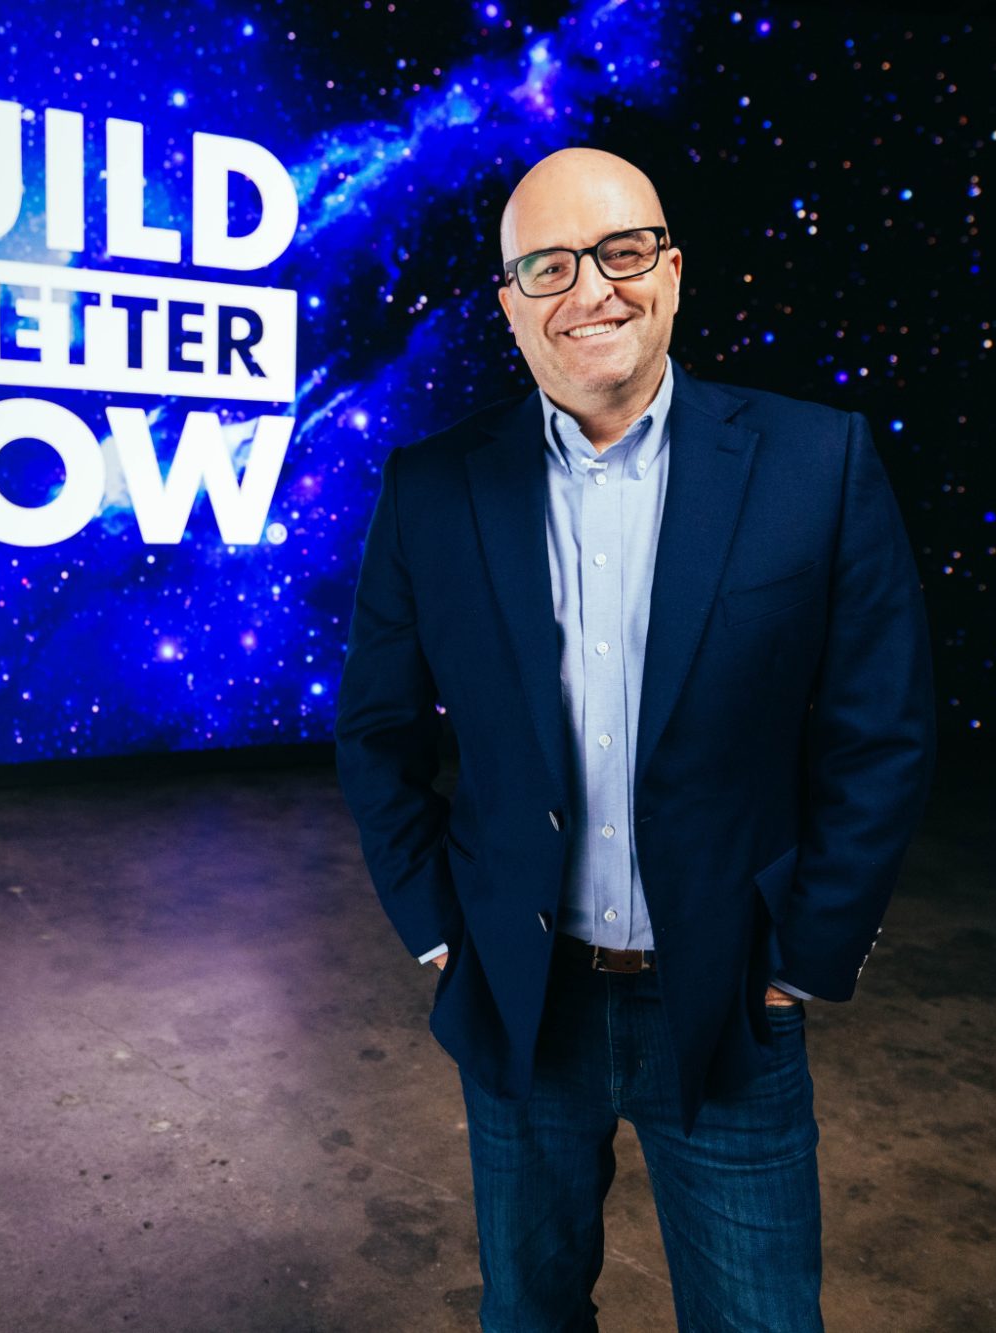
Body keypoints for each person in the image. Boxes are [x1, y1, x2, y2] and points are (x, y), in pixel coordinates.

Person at [333, 147, 936, 1332]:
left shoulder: (817, 461)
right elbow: (377, 729)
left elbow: (881, 731)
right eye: (548, 267)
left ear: (671, 270)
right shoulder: (432, 489)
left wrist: (804, 957)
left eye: (621, 252)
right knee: (529, 1313)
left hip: (731, 1006)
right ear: (510, 304)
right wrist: (440, 935)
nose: (590, 291)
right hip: (522, 1001)